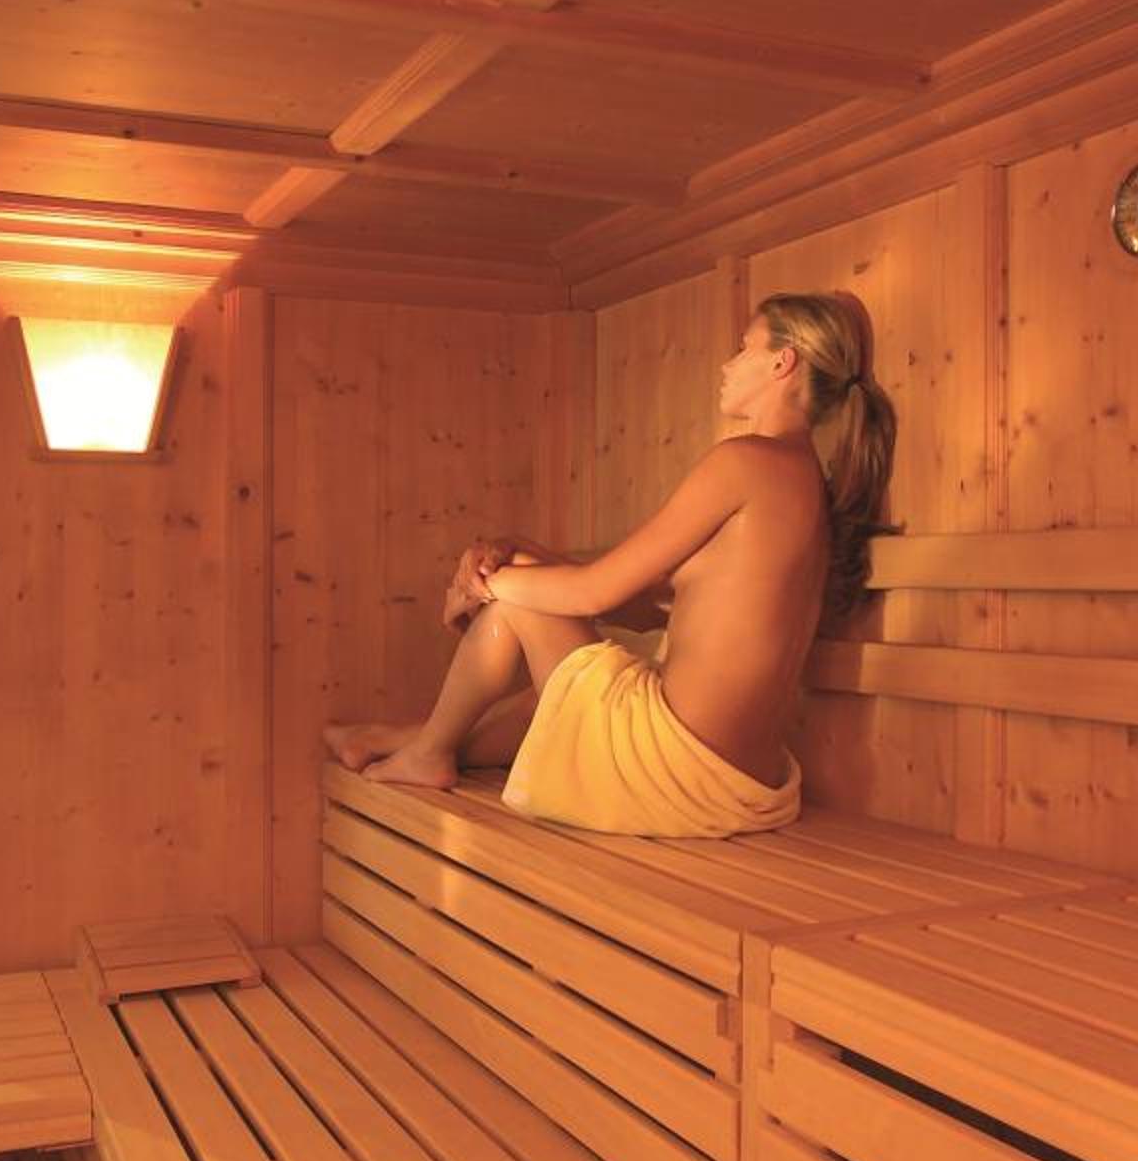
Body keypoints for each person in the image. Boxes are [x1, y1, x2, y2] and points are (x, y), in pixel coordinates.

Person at [324, 291, 898, 838]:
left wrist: (484, 585)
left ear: (781, 362)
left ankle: (427, 751)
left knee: (529, 625)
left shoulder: (746, 463)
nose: (728, 364)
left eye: (744, 347)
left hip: (677, 771)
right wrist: (512, 555)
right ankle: (397, 739)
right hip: (745, 786)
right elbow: (647, 608)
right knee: (551, 696)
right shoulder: (805, 486)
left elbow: (593, 595)